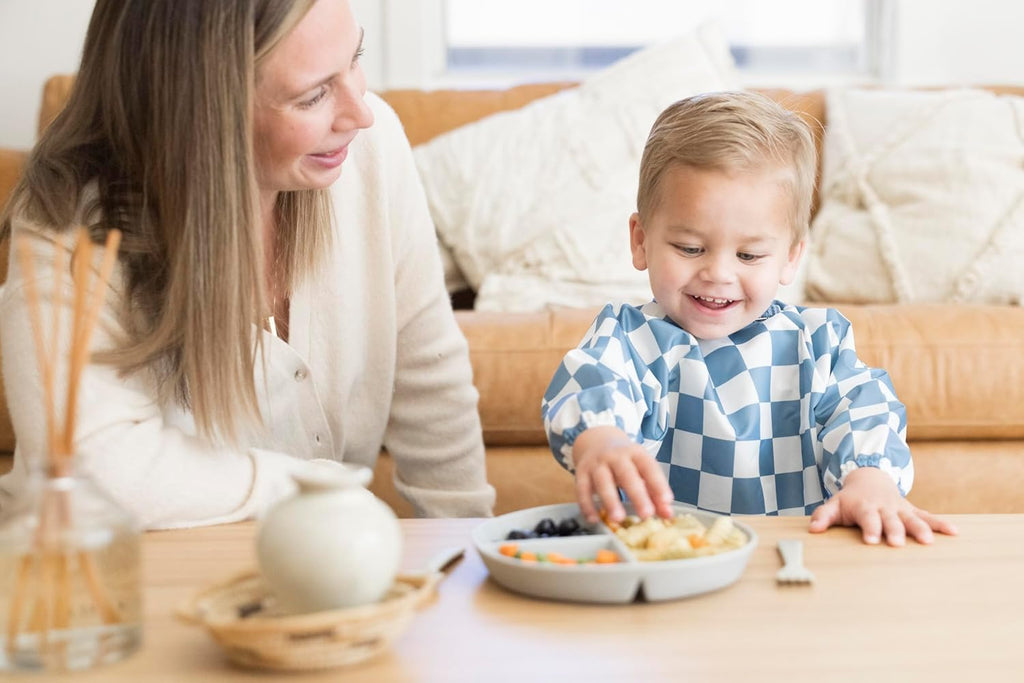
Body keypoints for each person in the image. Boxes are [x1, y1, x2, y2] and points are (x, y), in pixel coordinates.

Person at [0, 0, 494, 529]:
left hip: (312, 574)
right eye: (313, 96)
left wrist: (469, 549)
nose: (361, 114)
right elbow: (91, 466)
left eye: (356, 57)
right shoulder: (69, 221)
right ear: (203, 114)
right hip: (127, 580)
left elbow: (430, 374)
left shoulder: (373, 150)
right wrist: (314, 489)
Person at [542, 91, 956, 546]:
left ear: (790, 258)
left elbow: (862, 409)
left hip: (791, 555)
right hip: (661, 561)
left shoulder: (816, 343)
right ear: (641, 241)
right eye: (690, 248)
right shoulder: (629, 338)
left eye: (749, 254)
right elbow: (594, 382)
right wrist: (600, 438)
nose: (718, 273)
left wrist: (870, 480)